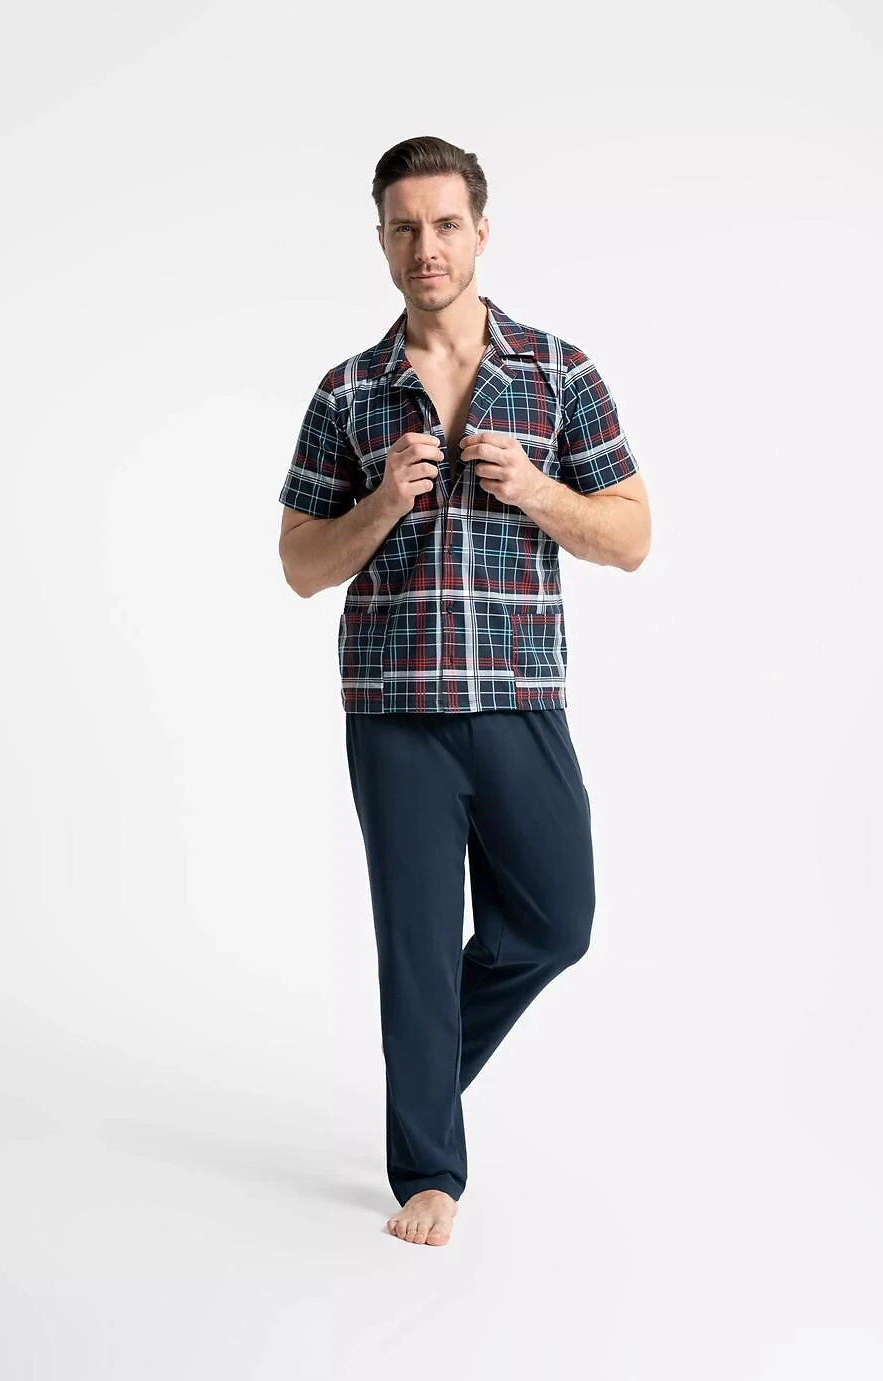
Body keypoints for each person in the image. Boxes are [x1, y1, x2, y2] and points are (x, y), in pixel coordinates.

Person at [278, 135, 651, 1246]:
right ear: (381, 240)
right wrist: (380, 503)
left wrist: (534, 488)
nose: (425, 247)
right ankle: (429, 1169)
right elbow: (299, 564)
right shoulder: (348, 392)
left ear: (480, 232)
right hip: (393, 707)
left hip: (519, 696)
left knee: (556, 921)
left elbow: (631, 535)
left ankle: (425, 1073)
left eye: (444, 224)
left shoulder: (557, 373)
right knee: (416, 947)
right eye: (403, 227)